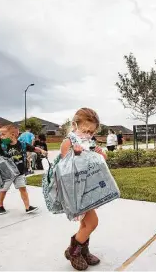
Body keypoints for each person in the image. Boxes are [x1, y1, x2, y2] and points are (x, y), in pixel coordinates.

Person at [61, 108, 107, 270]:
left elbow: (98, 162)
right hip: (76, 191)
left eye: (91, 132)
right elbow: (65, 168)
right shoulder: (69, 142)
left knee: (85, 225)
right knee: (92, 223)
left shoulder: (89, 142)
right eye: (85, 130)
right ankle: (73, 251)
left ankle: (83, 250)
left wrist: (101, 155)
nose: (88, 134)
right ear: (75, 125)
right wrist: (77, 154)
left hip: (88, 189)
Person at [0, 124, 47, 215]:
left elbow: (33, 148)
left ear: (12, 135)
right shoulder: (3, 145)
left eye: (3, 134)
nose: (1, 136)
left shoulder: (22, 144)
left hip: (19, 172)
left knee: (23, 189)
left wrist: (42, 151)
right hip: (8, 173)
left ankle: (28, 207)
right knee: (4, 189)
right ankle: (0, 205)